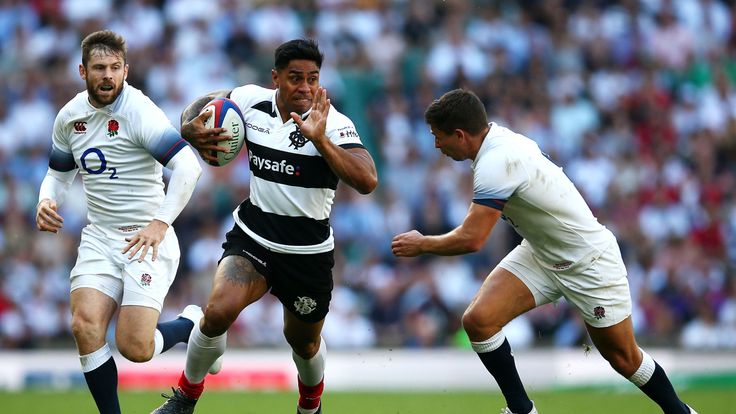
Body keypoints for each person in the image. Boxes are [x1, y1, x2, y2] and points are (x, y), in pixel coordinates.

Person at [391, 89, 697, 414]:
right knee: (479, 321)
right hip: (542, 252)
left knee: (624, 358)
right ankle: (522, 410)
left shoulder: (497, 161)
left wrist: (422, 243)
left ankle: (681, 412)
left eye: (438, 137)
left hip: (587, 260)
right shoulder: (498, 143)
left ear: (460, 135)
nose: (437, 145)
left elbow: (472, 239)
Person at [150, 38, 378, 414]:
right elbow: (204, 104)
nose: (305, 88)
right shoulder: (250, 100)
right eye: (295, 78)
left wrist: (321, 141)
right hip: (254, 235)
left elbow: (368, 180)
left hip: (306, 250)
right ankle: (184, 399)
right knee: (218, 311)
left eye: (312, 79)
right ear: (276, 79)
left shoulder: (334, 124)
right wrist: (189, 127)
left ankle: (310, 406)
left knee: (303, 343)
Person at [35, 30, 217, 414]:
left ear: (126, 71)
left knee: (135, 348)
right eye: (99, 68)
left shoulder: (140, 112)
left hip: (147, 239)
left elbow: (188, 167)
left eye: (115, 68)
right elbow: (58, 173)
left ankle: (191, 324)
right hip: (100, 236)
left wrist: (160, 223)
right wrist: (46, 199)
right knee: (84, 327)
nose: (107, 76)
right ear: (82, 70)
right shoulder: (70, 117)